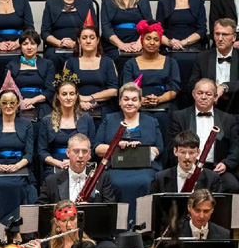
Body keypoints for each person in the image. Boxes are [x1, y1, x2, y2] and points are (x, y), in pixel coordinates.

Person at [95, 83, 163, 220]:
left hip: (143, 167)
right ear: (120, 102)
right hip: (115, 167)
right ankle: (118, 227)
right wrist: (115, 146)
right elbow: (97, 148)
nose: (130, 103)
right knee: (113, 183)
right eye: (126, 99)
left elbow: (159, 148)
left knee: (145, 182)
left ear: (140, 103)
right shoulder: (109, 119)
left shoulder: (151, 121)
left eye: (134, 99)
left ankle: (143, 227)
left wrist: (140, 148)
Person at [169, 79, 239, 192]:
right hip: (187, 167)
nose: (204, 97)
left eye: (208, 94)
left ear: (215, 96)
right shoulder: (179, 117)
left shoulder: (228, 119)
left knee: (233, 185)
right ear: (193, 94)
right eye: (200, 93)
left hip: (217, 169)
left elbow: (235, 148)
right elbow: (173, 146)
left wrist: (226, 164)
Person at [0, 86, 37, 223]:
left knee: (22, 187)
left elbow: (29, 153)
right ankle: (0, 229)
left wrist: (17, 166)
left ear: (18, 104)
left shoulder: (27, 124)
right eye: (4, 102)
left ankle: (18, 228)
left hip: (20, 168)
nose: (8, 106)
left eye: (12, 102)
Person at [121, 20, 181, 142]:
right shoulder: (130, 64)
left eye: (156, 39)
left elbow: (174, 89)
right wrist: (141, 100)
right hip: (137, 106)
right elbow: (126, 89)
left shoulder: (171, 62)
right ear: (142, 40)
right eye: (148, 38)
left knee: (164, 119)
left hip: (165, 106)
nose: (152, 42)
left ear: (160, 42)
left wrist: (158, 100)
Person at [156, 0, 207, 96]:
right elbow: (158, 30)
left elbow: (202, 30)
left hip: (193, 45)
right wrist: (171, 43)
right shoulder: (164, 2)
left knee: (194, 61)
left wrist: (184, 42)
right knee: (173, 61)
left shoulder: (198, 1)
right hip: (169, 46)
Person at [41, 0, 98, 71]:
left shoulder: (87, 3)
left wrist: (78, 43)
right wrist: (60, 42)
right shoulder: (51, 3)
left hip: (82, 47)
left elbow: (93, 30)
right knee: (51, 58)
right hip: (56, 48)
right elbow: (44, 32)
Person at [100, 0, 155, 72]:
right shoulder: (107, 0)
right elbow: (106, 27)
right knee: (118, 58)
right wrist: (121, 45)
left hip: (139, 41)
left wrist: (140, 43)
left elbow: (149, 23)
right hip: (115, 43)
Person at [37, 78, 96, 180]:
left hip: (81, 163)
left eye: (72, 94)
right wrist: (58, 163)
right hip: (55, 164)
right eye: (64, 94)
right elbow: (42, 151)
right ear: (58, 97)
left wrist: (74, 161)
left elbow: (93, 148)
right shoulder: (47, 120)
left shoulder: (87, 119)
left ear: (76, 96)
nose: (68, 97)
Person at [38, 133, 117, 204]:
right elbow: (41, 211)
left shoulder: (102, 178)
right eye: (76, 151)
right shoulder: (51, 181)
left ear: (89, 154)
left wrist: (90, 209)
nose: (80, 155)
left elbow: (110, 208)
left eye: (84, 151)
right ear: (68, 153)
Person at [63, 24, 120, 120]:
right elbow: (64, 88)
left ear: (97, 40)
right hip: (76, 107)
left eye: (92, 38)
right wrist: (79, 101)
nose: (88, 41)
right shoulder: (70, 63)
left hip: (104, 108)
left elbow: (113, 91)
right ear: (79, 41)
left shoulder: (108, 62)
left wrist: (90, 98)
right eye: (84, 38)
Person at [188, 18, 239, 113]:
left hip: (236, 107)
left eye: (225, 34)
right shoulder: (202, 57)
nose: (220, 38)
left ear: (234, 37)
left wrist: (224, 87)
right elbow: (192, 84)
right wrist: (212, 87)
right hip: (210, 108)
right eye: (217, 34)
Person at [5, 29, 56, 120]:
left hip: (41, 102)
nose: (29, 47)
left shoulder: (48, 64)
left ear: (37, 45)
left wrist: (33, 100)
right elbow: (7, 89)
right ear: (20, 46)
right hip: (17, 103)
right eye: (25, 44)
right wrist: (20, 103)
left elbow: (50, 90)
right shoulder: (11, 65)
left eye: (32, 43)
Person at [150, 130, 222, 193]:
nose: (187, 157)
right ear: (175, 151)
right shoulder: (160, 178)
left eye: (191, 153)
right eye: (183, 152)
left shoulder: (212, 178)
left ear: (198, 152)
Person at [25, 200, 95, 248]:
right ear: (57, 222)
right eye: (64, 221)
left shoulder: (86, 246)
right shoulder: (48, 242)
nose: (69, 225)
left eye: (72, 219)